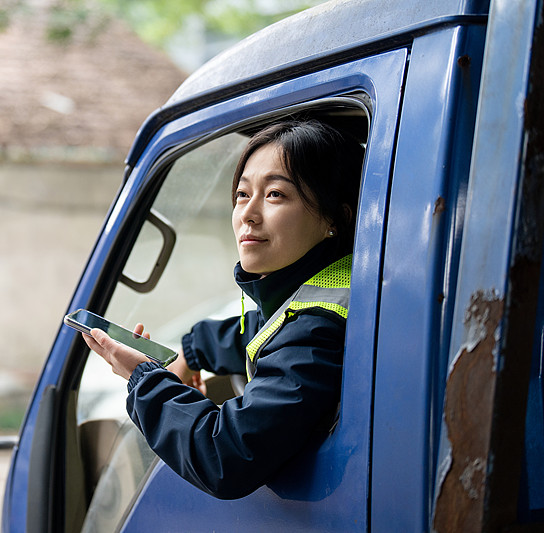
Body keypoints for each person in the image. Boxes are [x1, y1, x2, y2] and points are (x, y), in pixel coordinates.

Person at [81, 119, 364, 499]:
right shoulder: (324, 288)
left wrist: (143, 378)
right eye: (243, 194)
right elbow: (256, 332)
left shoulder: (318, 328)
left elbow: (225, 455)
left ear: (335, 218)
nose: (248, 213)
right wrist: (191, 351)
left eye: (276, 194)